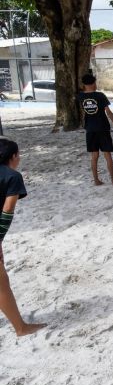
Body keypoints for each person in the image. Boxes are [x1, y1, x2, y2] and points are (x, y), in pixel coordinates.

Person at [0, 138, 46, 336]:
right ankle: (21, 328)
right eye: (18, 155)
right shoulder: (13, 176)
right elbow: (8, 209)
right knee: (2, 284)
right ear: (13, 157)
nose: (19, 158)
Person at [78, 73, 113, 186]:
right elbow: (108, 111)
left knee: (94, 156)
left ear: (84, 84)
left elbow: (83, 113)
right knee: (107, 155)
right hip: (102, 128)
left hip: (90, 129)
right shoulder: (100, 96)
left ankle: (96, 180)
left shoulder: (80, 97)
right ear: (93, 83)